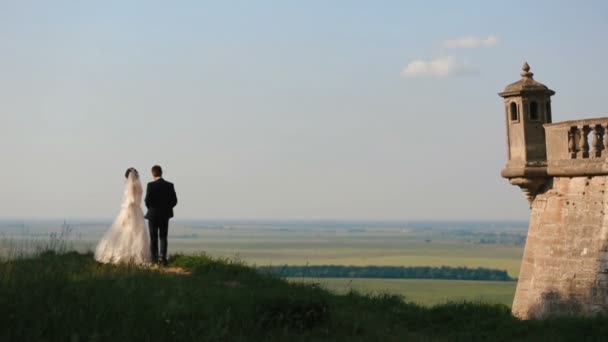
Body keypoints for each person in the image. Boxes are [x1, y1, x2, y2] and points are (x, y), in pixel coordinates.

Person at [95, 168, 152, 264]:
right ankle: (137, 255)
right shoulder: (139, 185)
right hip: (138, 210)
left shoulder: (132, 185)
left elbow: (131, 200)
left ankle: (125, 255)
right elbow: (138, 199)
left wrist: (126, 210)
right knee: (137, 232)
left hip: (130, 210)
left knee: (126, 232)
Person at [144, 165, 178, 266]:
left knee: (153, 237)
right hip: (165, 215)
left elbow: (147, 200)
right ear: (161, 172)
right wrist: (167, 208)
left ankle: (154, 260)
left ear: (153, 174)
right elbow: (174, 201)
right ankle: (163, 259)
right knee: (163, 237)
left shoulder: (150, 185)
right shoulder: (170, 185)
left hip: (153, 215)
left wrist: (151, 209)